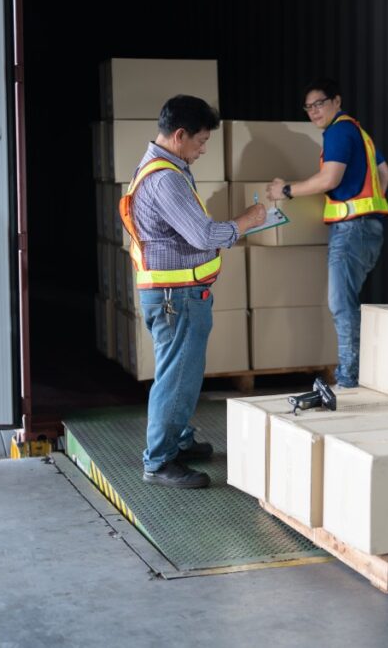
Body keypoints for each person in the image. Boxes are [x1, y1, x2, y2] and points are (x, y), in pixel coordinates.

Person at [120, 95, 266, 488]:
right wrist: (247, 221)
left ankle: (178, 440)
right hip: (177, 297)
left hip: (176, 294)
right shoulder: (165, 179)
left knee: (180, 371)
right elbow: (203, 235)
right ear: (180, 135)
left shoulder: (160, 168)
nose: (203, 150)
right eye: (201, 141)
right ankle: (159, 461)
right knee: (177, 376)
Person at [266, 78, 388, 389]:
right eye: (308, 107)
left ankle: (348, 378)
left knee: (341, 304)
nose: (314, 111)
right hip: (369, 228)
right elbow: (384, 174)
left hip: (350, 230)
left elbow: (329, 179)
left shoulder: (337, 131)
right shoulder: (360, 133)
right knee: (348, 302)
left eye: (319, 104)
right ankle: (356, 374)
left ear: (337, 101)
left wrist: (286, 190)